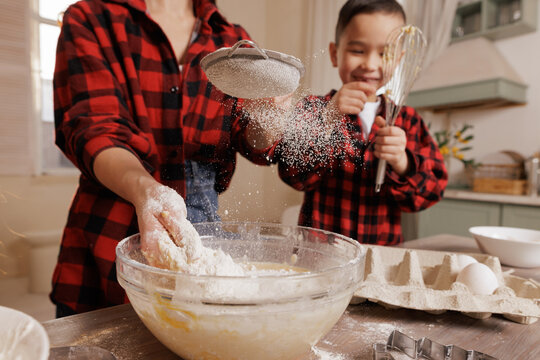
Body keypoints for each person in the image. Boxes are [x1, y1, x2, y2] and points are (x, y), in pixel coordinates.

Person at [51, 0, 277, 316]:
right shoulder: (92, 18)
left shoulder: (231, 40)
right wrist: (147, 192)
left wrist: (272, 117)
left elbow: (252, 138)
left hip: (203, 239)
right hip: (107, 237)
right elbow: (95, 129)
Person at [276, 0, 448, 245]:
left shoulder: (407, 120)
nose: (370, 64)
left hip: (379, 259)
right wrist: (328, 118)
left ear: (398, 60)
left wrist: (402, 162)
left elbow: (431, 192)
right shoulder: (315, 109)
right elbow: (293, 174)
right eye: (357, 51)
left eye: (384, 54)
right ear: (336, 54)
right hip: (321, 255)